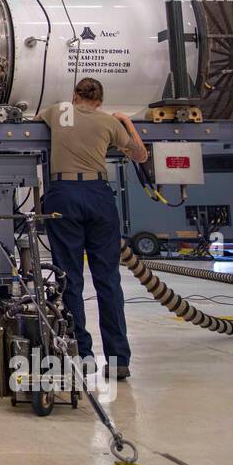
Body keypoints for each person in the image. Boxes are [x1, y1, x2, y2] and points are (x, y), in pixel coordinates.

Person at [36, 78, 149, 379]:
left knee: (69, 278)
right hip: (98, 195)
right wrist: (125, 122)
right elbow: (140, 155)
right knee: (108, 280)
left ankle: (81, 355)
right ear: (100, 99)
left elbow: (32, 122)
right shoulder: (108, 122)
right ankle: (118, 360)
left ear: (75, 95)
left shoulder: (60, 111)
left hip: (64, 194)